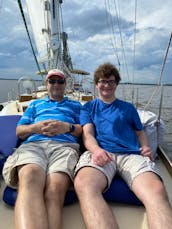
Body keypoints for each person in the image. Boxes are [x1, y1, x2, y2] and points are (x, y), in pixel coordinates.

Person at [74, 62, 172, 229]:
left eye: (111, 81)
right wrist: (96, 151)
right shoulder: (88, 108)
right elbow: (88, 134)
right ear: (97, 83)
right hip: (102, 152)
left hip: (131, 155)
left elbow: (140, 132)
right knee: (84, 185)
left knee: (156, 190)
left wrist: (146, 147)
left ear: (116, 84)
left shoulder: (128, 108)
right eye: (103, 81)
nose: (106, 85)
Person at [3, 69, 82, 229]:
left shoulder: (76, 105)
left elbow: (83, 130)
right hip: (35, 145)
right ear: (46, 84)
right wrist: (35, 128)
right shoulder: (35, 104)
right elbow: (20, 131)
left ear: (65, 84)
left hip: (64, 147)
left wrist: (67, 127)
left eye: (60, 81)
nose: (56, 84)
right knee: (30, 177)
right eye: (52, 81)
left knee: (55, 189)